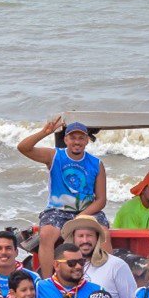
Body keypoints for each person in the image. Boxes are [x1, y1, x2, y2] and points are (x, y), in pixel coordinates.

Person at [17, 117, 108, 278]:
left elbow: (101, 199)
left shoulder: (96, 163)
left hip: (87, 210)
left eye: (81, 138)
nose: (77, 142)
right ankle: (47, 281)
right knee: (46, 234)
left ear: (87, 140)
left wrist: (82, 216)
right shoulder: (54, 156)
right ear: (66, 139)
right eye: (72, 137)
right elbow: (23, 148)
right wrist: (44, 133)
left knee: (105, 233)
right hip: (58, 210)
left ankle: (106, 277)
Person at [62, 216, 136, 298]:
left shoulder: (116, 265)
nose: (85, 240)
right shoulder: (64, 267)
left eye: (89, 235)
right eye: (80, 236)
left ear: (97, 238)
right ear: (73, 238)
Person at [35, 242, 103, 298]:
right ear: (56, 265)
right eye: (72, 263)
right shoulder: (39, 288)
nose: (78, 266)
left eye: (81, 262)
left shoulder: (96, 291)